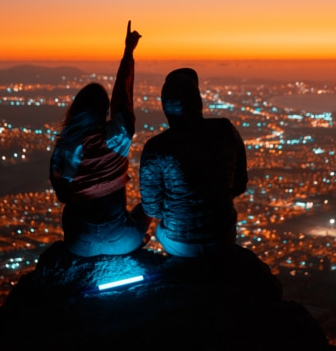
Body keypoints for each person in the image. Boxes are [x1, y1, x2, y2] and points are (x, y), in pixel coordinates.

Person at [49, 20, 150, 257]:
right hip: (121, 238)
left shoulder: (66, 146)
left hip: (78, 242)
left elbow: (63, 195)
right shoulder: (118, 137)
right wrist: (128, 53)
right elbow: (122, 100)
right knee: (150, 204)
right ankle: (138, 241)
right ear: (104, 111)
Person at [139, 67, 248, 257]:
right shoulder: (225, 130)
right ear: (198, 101)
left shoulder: (156, 147)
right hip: (222, 237)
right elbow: (239, 184)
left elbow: (152, 208)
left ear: (165, 106)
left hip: (179, 243)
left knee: (158, 230)